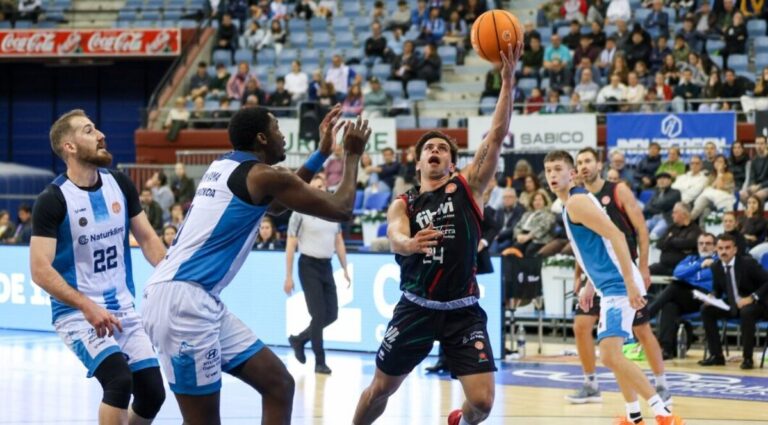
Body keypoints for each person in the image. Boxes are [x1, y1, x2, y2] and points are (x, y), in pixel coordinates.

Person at [141, 105, 371, 424]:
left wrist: (320, 155)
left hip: (195, 298)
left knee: (279, 385)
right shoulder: (262, 175)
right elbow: (343, 208)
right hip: (182, 303)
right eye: (277, 129)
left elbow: (276, 204)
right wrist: (353, 154)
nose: (283, 136)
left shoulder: (224, 165)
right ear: (262, 138)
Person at [353, 42, 523, 425]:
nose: (434, 151)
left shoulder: (469, 187)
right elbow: (395, 234)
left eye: (442, 149)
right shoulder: (405, 203)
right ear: (418, 162)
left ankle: (458, 421)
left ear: (451, 161)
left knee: (481, 404)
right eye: (428, 147)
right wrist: (409, 243)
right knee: (381, 388)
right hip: (416, 306)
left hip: (463, 310)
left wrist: (507, 82)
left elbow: (495, 136)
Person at [29, 109, 167, 424]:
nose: (101, 134)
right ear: (70, 147)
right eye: (89, 130)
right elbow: (39, 269)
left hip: (123, 309)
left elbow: (147, 239)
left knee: (152, 393)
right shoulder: (53, 199)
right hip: (78, 314)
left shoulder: (119, 182)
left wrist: (175, 277)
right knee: (119, 381)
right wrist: (86, 305)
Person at [543, 150, 683, 425]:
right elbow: (593, 250)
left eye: (558, 169)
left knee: (608, 353)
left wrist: (631, 283)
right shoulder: (570, 202)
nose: (552, 175)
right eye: (548, 170)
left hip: (619, 284)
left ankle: (663, 413)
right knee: (614, 353)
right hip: (607, 284)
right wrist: (588, 285)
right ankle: (633, 416)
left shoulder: (576, 202)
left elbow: (617, 235)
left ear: (572, 174)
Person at [568, 148, 671, 406]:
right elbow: (586, 248)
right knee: (581, 325)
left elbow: (641, 230)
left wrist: (644, 266)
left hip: (624, 273)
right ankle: (591, 384)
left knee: (642, 330)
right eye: (579, 162)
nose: (584, 166)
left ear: (599, 164)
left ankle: (661, 384)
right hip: (598, 277)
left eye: (588, 161)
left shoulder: (617, 190)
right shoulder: (578, 200)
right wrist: (580, 277)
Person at [284, 174, 351, 374]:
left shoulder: (332, 211)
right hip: (308, 266)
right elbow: (290, 244)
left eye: (321, 185)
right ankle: (320, 362)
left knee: (332, 314)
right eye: (314, 186)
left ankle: (299, 339)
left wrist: (345, 268)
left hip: (327, 266)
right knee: (318, 314)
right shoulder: (299, 212)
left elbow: (338, 241)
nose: (318, 189)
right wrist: (288, 276)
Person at [698, 233, 768, 370]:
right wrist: (712, 297)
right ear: (716, 250)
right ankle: (716, 356)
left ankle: (747, 358)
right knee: (706, 310)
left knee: (747, 312)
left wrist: (752, 297)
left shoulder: (748, 263)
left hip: (757, 305)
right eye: (720, 248)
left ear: (734, 249)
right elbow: (717, 289)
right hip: (733, 304)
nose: (724, 251)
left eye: (727, 248)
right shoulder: (716, 266)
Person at [647, 233, 717, 359]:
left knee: (674, 287)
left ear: (715, 246)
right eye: (701, 243)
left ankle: (646, 315)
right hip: (687, 296)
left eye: (708, 243)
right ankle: (666, 349)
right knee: (669, 305)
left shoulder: (718, 262)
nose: (704, 246)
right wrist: (699, 266)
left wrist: (692, 272)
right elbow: (677, 272)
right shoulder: (691, 259)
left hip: (706, 298)